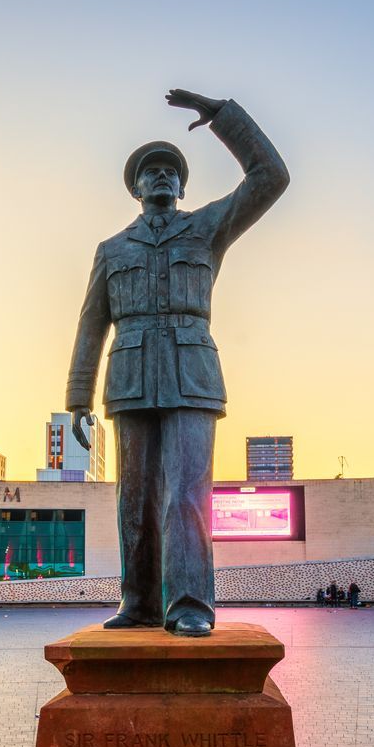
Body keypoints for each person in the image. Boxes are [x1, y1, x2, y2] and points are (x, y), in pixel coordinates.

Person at [67, 89, 289, 637]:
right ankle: (139, 602)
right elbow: (91, 322)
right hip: (130, 379)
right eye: (150, 171)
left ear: (182, 185)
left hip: (192, 378)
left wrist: (223, 117)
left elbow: (270, 176)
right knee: (135, 499)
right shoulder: (112, 248)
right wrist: (77, 397)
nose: (161, 176)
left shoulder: (209, 227)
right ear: (135, 187)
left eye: (170, 170)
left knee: (187, 493)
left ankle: (190, 603)